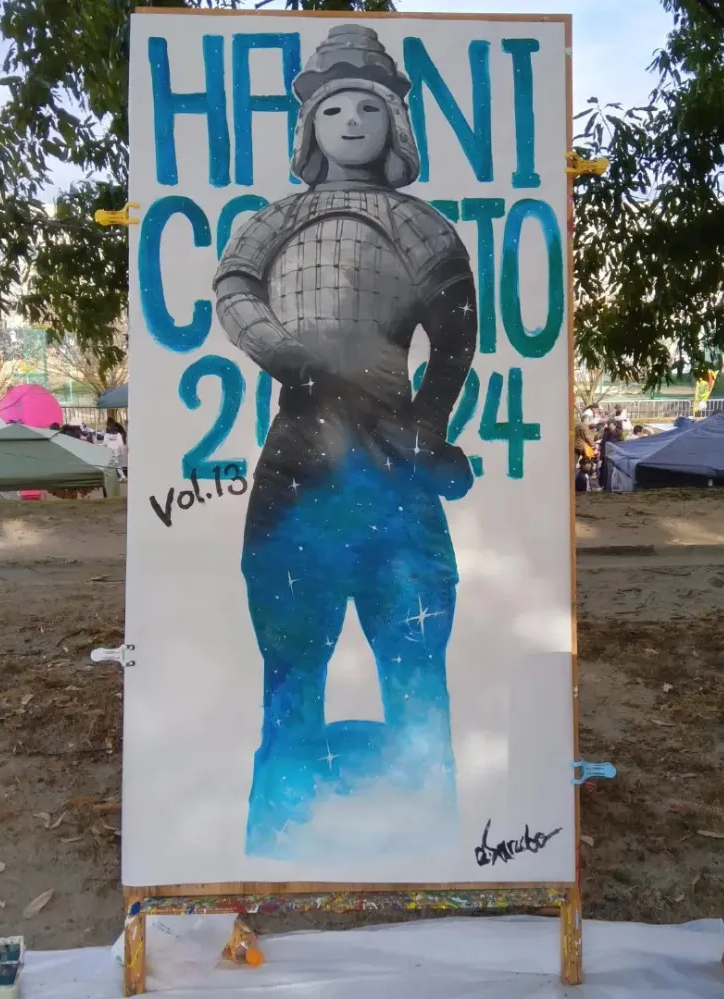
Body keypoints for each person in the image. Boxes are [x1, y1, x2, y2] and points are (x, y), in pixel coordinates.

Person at [213, 23, 475, 860]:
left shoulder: (421, 226)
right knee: (291, 669)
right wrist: (291, 357)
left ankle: (431, 848)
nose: (352, 122)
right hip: (297, 467)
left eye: (368, 107)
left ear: (394, 121)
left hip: (397, 470)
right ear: (311, 126)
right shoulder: (273, 221)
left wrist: (428, 425)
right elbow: (235, 287)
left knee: (415, 665)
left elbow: (455, 335)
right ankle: (279, 848)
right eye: (334, 109)